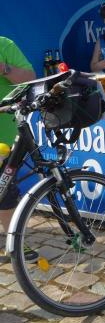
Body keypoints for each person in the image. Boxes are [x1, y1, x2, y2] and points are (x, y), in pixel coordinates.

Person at [0, 36, 37, 261]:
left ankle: (13, 241)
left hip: (3, 136)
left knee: (5, 190)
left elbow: (30, 78)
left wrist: (4, 68)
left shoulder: (4, 45)